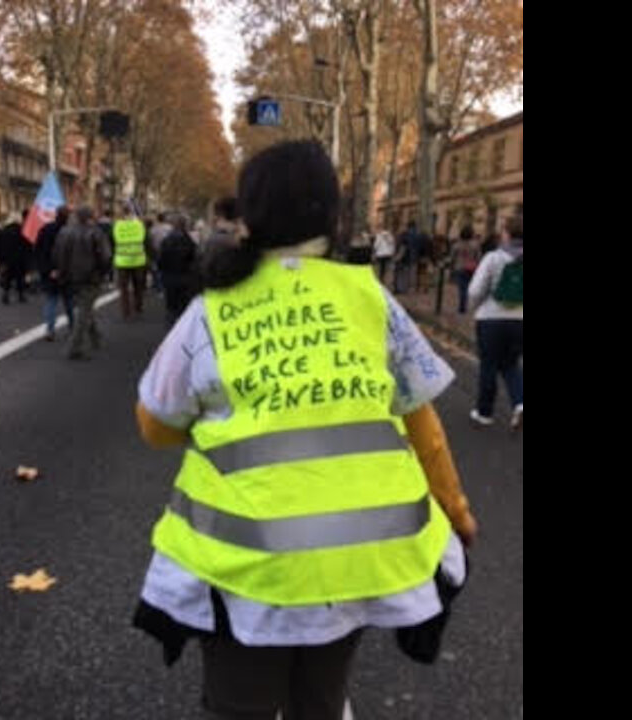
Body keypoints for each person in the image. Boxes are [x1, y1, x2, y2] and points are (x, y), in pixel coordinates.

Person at [132, 140, 477, 720]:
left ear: (248, 214)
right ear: (334, 216)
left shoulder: (212, 309)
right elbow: (425, 428)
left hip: (244, 563)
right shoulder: (371, 298)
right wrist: (458, 512)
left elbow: (155, 427)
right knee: (321, 699)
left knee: (240, 704)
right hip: (361, 557)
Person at [466, 215, 523, 431]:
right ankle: (520, 402)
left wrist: (474, 308)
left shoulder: (493, 257)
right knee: (510, 363)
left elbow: (475, 290)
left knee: (489, 364)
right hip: (520, 322)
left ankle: (484, 412)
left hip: (491, 319)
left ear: (506, 234)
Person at [54, 207, 112, 361]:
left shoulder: (64, 232)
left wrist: (62, 272)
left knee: (84, 306)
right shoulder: (95, 232)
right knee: (84, 311)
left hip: (70, 277)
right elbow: (105, 256)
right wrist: (103, 273)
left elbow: (57, 254)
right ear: (90, 217)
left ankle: (95, 338)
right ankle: (74, 348)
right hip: (90, 277)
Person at [36, 206, 75, 341]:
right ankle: (73, 328)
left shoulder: (46, 229)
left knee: (51, 301)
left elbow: (39, 250)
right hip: (67, 271)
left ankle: (50, 329)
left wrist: (46, 269)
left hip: (49, 271)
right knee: (69, 302)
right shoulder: (71, 231)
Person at [156, 216, 201, 327]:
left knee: (171, 305)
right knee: (184, 305)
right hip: (185, 277)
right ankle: (183, 328)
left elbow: (160, 260)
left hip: (169, 277)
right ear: (184, 225)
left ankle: (172, 328)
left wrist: (161, 272)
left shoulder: (166, 241)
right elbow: (196, 259)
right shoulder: (189, 241)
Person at [113, 202, 149, 320]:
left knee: (123, 288)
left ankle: (125, 311)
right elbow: (145, 239)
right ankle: (138, 306)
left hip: (122, 260)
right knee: (138, 286)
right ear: (132, 212)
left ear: (121, 213)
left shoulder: (117, 225)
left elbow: (114, 240)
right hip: (138, 259)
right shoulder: (139, 224)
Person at [0, 212, 31, 305]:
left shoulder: (4, 230)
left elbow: (1, 245)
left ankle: (6, 294)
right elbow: (27, 245)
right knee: (20, 277)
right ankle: (21, 295)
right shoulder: (23, 230)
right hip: (20, 257)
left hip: (8, 257)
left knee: (7, 276)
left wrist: (1, 259)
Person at [448, 226, 481, 315]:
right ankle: (469, 304)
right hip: (472, 268)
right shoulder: (475, 245)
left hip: (460, 267)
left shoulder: (457, 245)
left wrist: (451, 266)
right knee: (470, 287)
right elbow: (478, 257)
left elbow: (452, 257)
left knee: (462, 288)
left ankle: (462, 307)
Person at [395, 221, 428, 294]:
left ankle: (402, 288)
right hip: (414, 257)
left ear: (408, 226)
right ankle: (410, 287)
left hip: (405, 257)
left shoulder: (405, 235)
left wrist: (397, 257)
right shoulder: (419, 235)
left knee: (403, 273)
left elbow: (402, 246)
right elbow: (422, 247)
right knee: (412, 273)